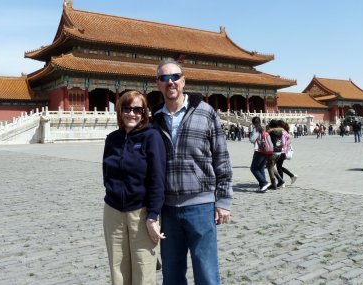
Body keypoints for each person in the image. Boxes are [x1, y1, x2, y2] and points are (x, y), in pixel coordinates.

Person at [151, 59, 233, 285]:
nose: (170, 83)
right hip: (167, 209)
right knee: (172, 272)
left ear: (183, 80)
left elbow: (222, 157)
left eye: (175, 77)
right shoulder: (154, 118)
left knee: (206, 271)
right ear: (157, 84)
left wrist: (223, 200)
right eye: (164, 78)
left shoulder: (206, 112)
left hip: (201, 205)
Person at [102, 90, 166, 285]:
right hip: (113, 212)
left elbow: (157, 179)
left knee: (143, 269)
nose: (132, 113)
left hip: (141, 213)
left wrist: (153, 216)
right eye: (127, 108)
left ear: (144, 113)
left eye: (137, 109)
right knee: (118, 269)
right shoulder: (112, 139)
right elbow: (107, 174)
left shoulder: (151, 137)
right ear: (120, 111)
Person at [249, 116, 271, 192]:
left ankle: (264, 183)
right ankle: (263, 187)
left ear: (253, 123)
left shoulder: (256, 129)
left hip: (259, 151)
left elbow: (252, 140)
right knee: (261, 169)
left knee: (253, 169)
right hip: (265, 150)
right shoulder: (262, 129)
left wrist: (251, 133)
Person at [275, 120, 298, 185]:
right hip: (284, 151)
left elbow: (283, 142)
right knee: (279, 167)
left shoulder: (282, 133)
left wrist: (277, 145)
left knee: (278, 167)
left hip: (281, 151)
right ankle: (291, 176)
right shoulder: (286, 132)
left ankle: (282, 182)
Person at [266, 120, 285, 190]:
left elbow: (265, 136)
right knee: (271, 166)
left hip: (273, 151)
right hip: (279, 151)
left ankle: (273, 183)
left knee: (269, 167)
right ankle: (280, 180)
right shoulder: (280, 131)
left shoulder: (271, 131)